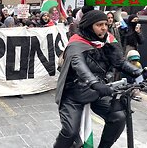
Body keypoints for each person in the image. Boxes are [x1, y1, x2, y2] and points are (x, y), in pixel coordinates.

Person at [54, 10, 142, 148]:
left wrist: (140, 73)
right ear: (89, 26)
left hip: (98, 92)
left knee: (118, 117)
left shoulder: (107, 40)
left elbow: (119, 62)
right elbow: (79, 65)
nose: (104, 28)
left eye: (106, 24)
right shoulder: (76, 43)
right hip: (73, 94)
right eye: (99, 24)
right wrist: (94, 83)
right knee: (70, 132)